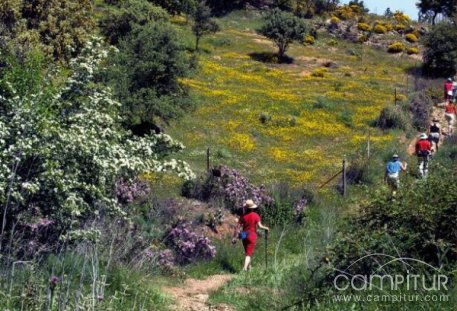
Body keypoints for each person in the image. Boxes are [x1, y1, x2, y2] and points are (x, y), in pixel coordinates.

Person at [232, 200, 269, 271]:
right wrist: (266, 228)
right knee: (248, 254)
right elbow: (260, 226)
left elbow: (237, 227)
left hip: (244, 234)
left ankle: (249, 268)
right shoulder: (256, 215)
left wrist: (235, 237)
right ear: (252, 208)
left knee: (247, 252)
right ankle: (245, 268)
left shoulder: (243, 216)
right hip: (251, 235)